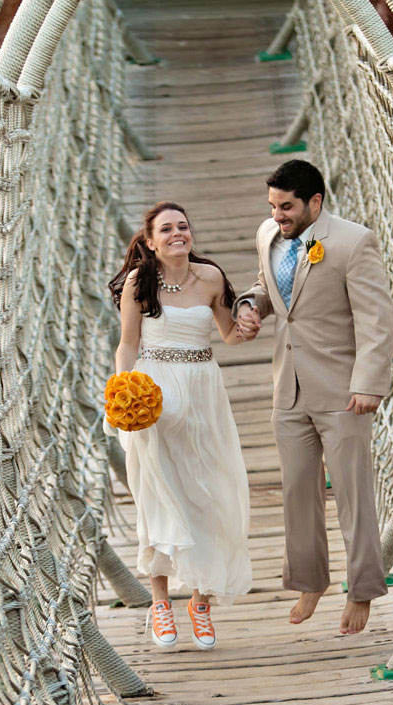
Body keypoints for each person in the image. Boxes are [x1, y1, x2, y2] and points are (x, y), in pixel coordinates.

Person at [233, 160, 393, 635]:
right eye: (273, 206)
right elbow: (266, 286)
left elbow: (376, 320)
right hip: (288, 387)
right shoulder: (268, 235)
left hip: (344, 391)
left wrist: (369, 383)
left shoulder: (352, 241)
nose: (277, 215)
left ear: (315, 202)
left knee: (353, 494)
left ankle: (362, 589)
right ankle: (310, 580)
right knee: (297, 491)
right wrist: (250, 306)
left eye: (287, 207)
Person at [109, 201, 254, 650]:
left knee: (207, 493)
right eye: (166, 229)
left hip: (202, 392)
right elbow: (127, 344)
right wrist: (123, 393)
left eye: (183, 226)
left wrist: (247, 323)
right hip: (154, 394)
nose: (178, 234)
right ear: (150, 242)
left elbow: (229, 334)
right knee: (159, 495)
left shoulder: (210, 277)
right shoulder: (140, 282)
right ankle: (159, 603)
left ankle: (200, 602)